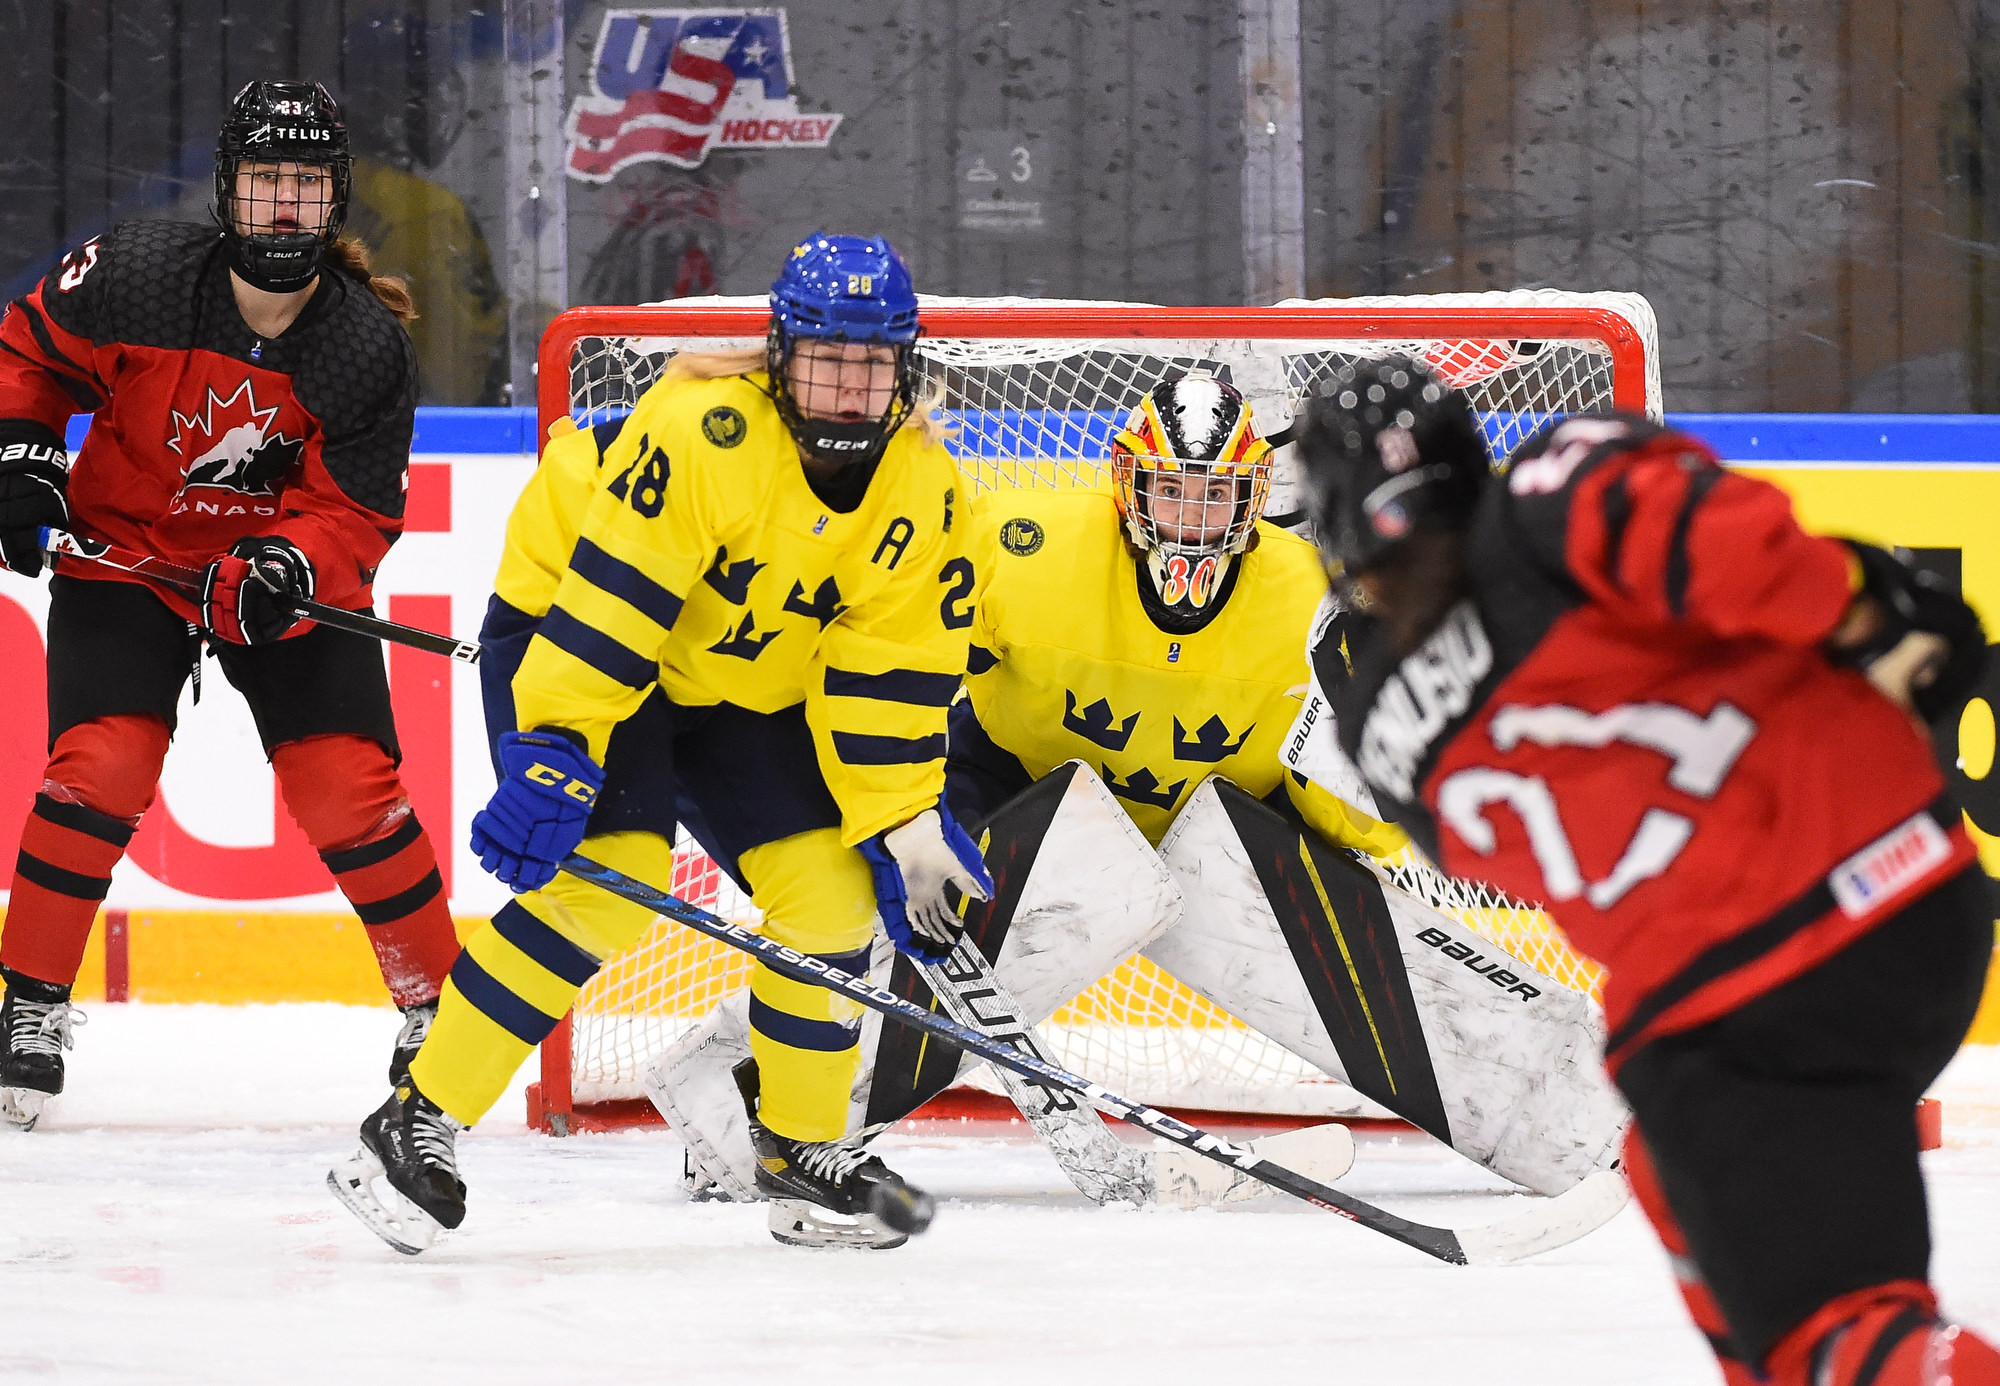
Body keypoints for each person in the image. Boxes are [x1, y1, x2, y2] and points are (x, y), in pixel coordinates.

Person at [648, 374, 1627, 1206]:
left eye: (1218, 499)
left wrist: (1395, 841)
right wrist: (887, 804)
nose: (1194, 526)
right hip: (1025, 801)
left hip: (1233, 833)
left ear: (1257, 498)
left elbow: (1356, 762)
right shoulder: (1015, 546)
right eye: (1173, 494)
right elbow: (881, 638)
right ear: (1126, 488)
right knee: (914, 903)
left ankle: (1575, 1116)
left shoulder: (1310, 595)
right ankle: (741, 1119)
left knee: (1395, 957)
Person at [1294, 360, 2000, 1386]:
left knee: (1835, 1342)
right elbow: (1765, 562)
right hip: (1908, 907)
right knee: (1687, 1194)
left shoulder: (1374, 710)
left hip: (1741, 1005)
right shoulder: (1554, 490)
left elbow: (1483, 856)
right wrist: (1868, 607)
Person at [329, 232, 987, 1254]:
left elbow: (887, 679)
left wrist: (901, 821)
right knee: (603, 876)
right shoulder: (705, 431)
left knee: (830, 892)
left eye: (872, 363)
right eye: (826, 359)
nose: (849, 387)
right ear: (779, 356)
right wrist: (554, 744)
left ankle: (801, 1149)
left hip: (733, 682)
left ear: (905, 365)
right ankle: (414, 1115)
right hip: (578, 634)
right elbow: (613, 617)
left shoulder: (925, 489)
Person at [0, 81, 461, 1130]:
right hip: (128, 564)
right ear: (228, 191)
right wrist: (19, 457)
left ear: (333, 197)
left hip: (260, 583)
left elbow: (352, 521)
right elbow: (25, 352)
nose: (284, 206)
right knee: (102, 761)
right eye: (265, 182)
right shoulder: (138, 274)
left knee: (347, 786)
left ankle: (441, 1013)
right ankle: (27, 1003)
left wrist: (288, 567)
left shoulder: (361, 347)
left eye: (305, 182)